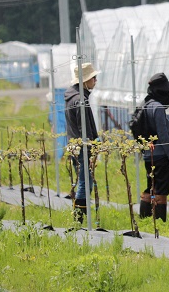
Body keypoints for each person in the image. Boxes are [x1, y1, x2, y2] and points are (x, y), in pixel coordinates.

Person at [138, 73, 169, 222]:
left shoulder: (145, 104)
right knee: (161, 190)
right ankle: (160, 222)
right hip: (162, 155)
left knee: (150, 186)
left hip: (149, 154)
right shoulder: (158, 108)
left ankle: (144, 219)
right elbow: (163, 133)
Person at [64, 62, 100, 223]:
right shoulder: (80, 100)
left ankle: (80, 220)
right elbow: (83, 127)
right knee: (85, 183)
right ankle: (79, 221)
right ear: (85, 81)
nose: (95, 81)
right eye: (93, 78)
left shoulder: (73, 97)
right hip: (83, 147)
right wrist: (92, 144)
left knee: (84, 181)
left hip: (75, 145)